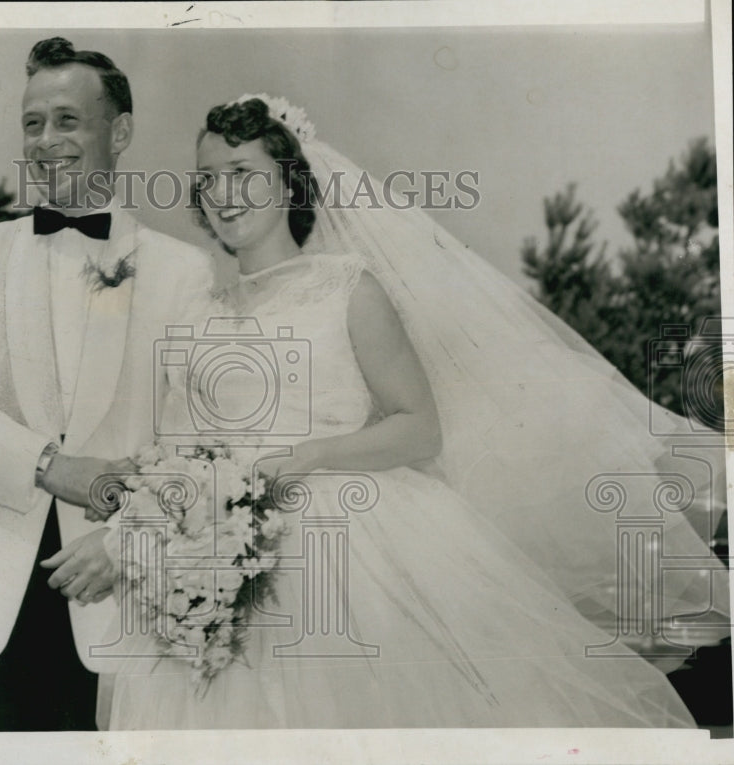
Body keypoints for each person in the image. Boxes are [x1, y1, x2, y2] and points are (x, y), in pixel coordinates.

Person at [99, 96, 725, 728]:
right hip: (220, 553)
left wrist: (304, 458)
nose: (223, 194)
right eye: (208, 179)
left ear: (289, 181)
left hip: (353, 549)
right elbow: (178, 450)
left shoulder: (348, 288)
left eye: (243, 173)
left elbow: (418, 428)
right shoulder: (198, 314)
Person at [0, 37, 213, 732]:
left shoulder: (182, 272)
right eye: (33, 123)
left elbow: (200, 439)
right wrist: (49, 465)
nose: (46, 141)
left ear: (119, 130)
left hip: (120, 596)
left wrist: (130, 537)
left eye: (68, 120)